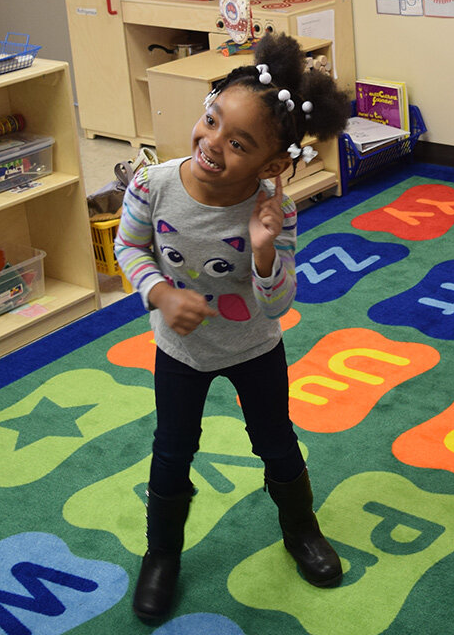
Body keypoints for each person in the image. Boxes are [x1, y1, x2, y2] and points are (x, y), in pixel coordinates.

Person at [115, 34, 351, 622]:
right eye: (212, 120)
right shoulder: (153, 185)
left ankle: (301, 530)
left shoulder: (275, 211)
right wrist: (160, 294)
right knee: (171, 452)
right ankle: (161, 554)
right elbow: (129, 247)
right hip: (181, 351)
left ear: (272, 165)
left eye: (238, 142)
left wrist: (265, 252)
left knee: (276, 443)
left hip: (253, 348)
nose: (212, 143)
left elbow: (277, 305)